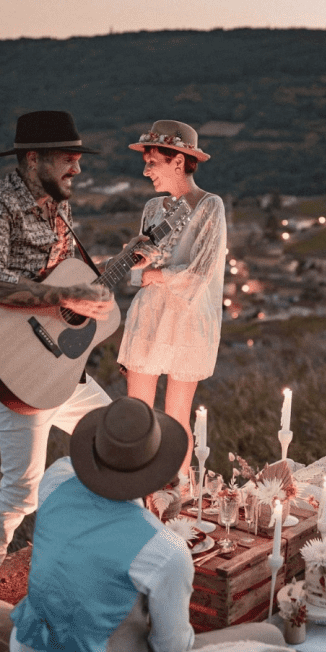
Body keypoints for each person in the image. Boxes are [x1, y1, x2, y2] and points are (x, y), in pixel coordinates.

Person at [9, 397, 286, 652]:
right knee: (271, 636)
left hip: (26, 651)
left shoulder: (56, 477)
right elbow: (172, 649)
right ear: (156, 470)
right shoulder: (163, 549)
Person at [0, 110, 115, 593]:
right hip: (13, 364)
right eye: (69, 159)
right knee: (22, 488)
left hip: (56, 363)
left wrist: (117, 267)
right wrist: (62, 299)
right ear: (34, 158)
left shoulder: (60, 206)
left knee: (115, 435)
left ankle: (103, 541)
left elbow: (65, 277)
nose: (78, 169)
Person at [118, 120, 227, 477]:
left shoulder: (210, 206)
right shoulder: (151, 208)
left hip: (189, 320)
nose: (146, 170)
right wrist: (137, 261)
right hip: (149, 316)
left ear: (177, 161)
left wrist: (154, 274)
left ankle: (177, 493)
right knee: (138, 413)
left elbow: (201, 272)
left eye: (152, 162)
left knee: (177, 418)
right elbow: (137, 271)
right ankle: (136, 492)